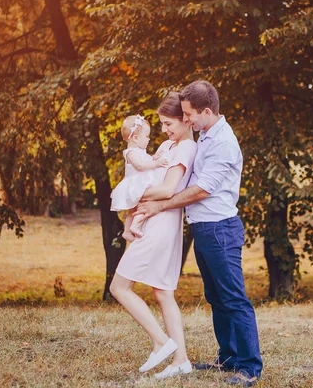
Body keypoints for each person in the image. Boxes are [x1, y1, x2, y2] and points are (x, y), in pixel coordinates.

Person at [135, 80, 263, 386]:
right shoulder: (206, 134)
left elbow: (202, 189)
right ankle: (228, 357)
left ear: (206, 111)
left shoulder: (223, 143)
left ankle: (249, 368)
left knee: (234, 298)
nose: (186, 120)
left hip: (220, 229)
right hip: (205, 229)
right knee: (216, 297)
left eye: (190, 114)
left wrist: (160, 206)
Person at [109, 92, 198, 379]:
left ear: (186, 120)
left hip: (160, 221)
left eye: (169, 123)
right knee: (162, 292)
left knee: (119, 287)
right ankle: (181, 360)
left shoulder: (185, 149)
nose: (165, 130)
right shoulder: (167, 145)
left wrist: (128, 194)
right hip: (154, 219)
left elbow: (168, 190)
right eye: (161, 124)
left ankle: (161, 341)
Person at [110, 114, 168, 241]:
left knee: (134, 209)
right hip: (136, 183)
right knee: (142, 204)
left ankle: (127, 231)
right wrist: (156, 164)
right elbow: (140, 166)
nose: (148, 139)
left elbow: (146, 159)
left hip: (140, 181)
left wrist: (154, 157)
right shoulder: (131, 152)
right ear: (135, 138)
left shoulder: (139, 151)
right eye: (146, 136)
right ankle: (135, 226)